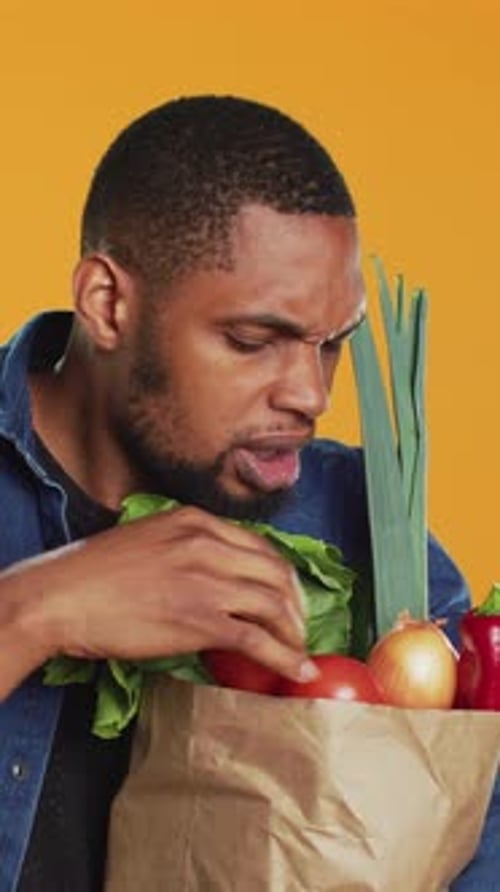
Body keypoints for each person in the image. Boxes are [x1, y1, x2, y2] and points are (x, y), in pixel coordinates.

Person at [0, 95, 496, 892]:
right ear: (108, 304)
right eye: (253, 342)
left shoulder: (369, 534)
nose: (311, 394)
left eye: (332, 345)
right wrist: (32, 609)